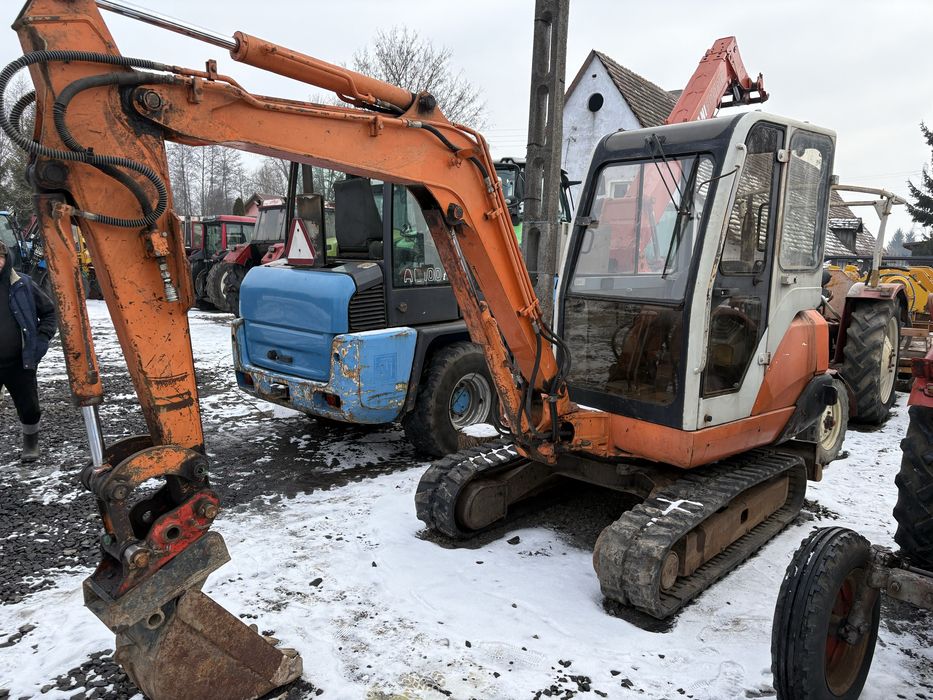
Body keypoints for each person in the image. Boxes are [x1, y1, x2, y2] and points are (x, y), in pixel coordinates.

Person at [0, 239, 56, 461]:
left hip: (19, 361)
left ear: (6, 258)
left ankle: (30, 444)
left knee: (29, 408)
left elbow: (50, 313)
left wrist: (41, 342)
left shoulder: (22, 284)